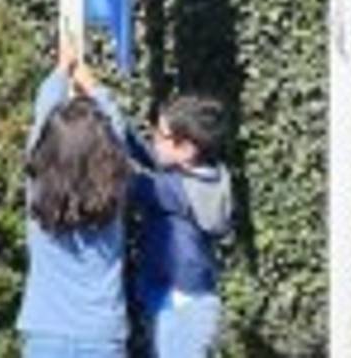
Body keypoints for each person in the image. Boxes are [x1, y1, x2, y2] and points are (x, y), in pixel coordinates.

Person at [15, 38, 133, 357]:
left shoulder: (37, 187)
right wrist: (90, 82)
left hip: (45, 334)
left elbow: (42, 119)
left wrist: (61, 70)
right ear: (107, 152)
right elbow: (117, 128)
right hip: (102, 335)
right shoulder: (116, 190)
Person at [129, 94, 233, 358]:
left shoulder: (177, 191)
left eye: (161, 135)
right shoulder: (206, 176)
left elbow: (129, 184)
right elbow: (151, 155)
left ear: (186, 149)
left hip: (180, 311)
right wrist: (115, 123)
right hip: (184, 302)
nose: (153, 137)